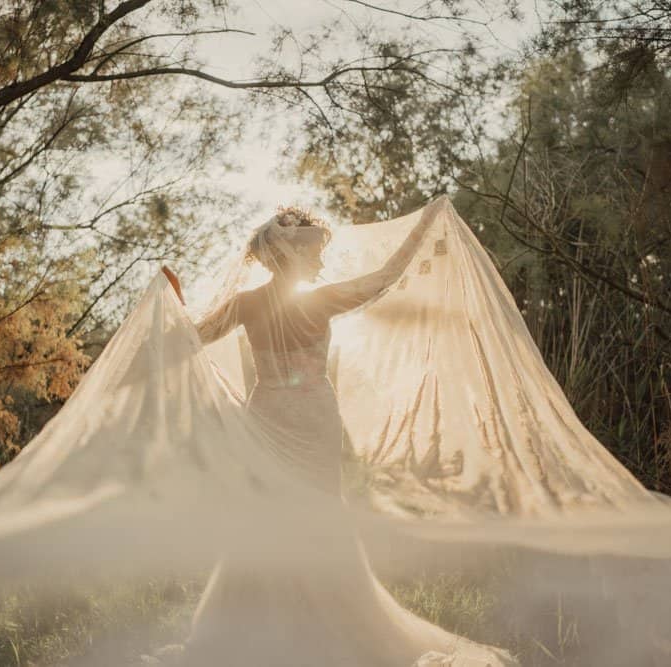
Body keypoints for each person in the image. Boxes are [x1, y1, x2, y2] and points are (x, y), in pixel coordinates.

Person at [158, 207, 515, 667]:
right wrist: (427, 223)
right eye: (313, 253)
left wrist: (175, 303)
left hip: (268, 414)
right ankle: (318, 628)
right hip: (310, 415)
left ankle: (257, 632)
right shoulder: (321, 300)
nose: (320, 263)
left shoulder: (246, 304)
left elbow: (189, 338)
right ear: (290, 254)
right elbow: (385, 277)